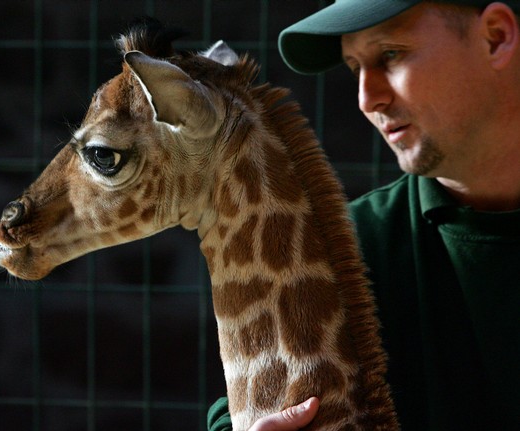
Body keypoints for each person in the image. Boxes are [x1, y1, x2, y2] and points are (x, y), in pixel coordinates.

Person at [207, 0, 520, 429]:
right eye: (354, 67)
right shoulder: (339, 252)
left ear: (496, 37)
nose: (367, 98)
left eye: (390, 54)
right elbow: (245, 411)